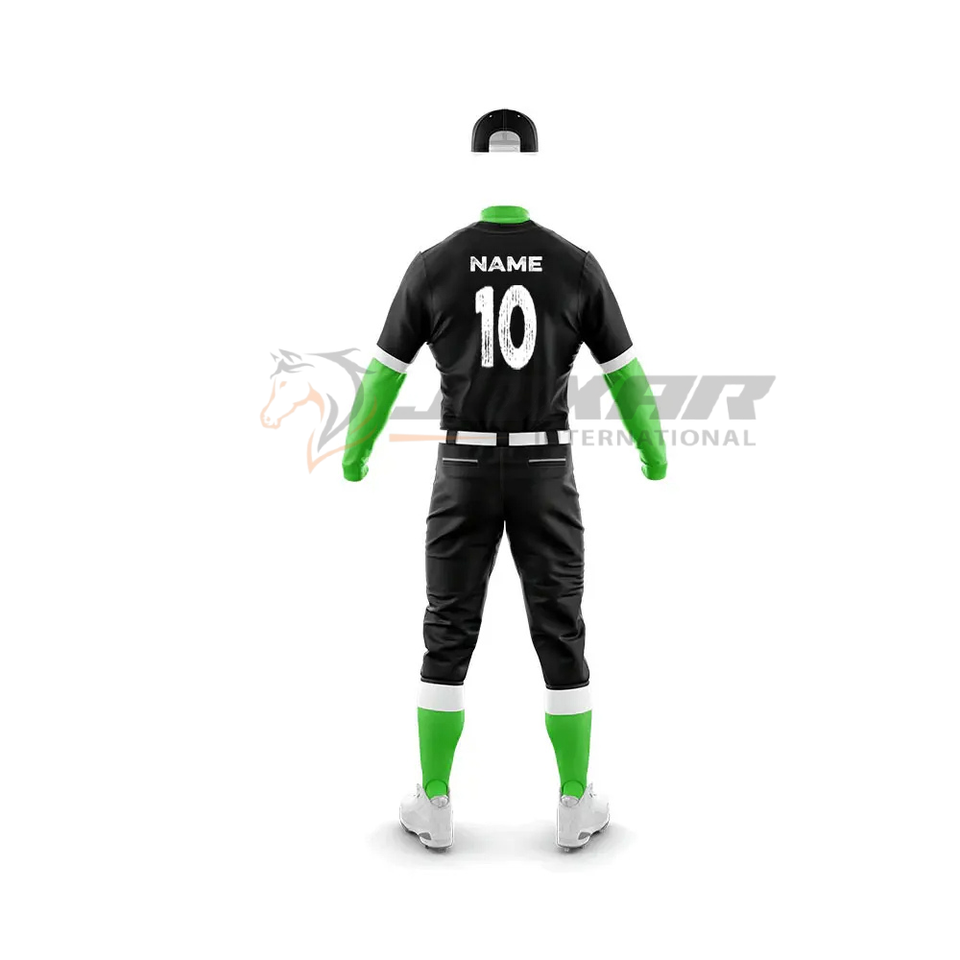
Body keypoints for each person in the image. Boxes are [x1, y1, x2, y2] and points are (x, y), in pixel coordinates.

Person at [343, 115, 666, 850]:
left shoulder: (433, 265)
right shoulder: (575, 265)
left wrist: (355, 454)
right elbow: (626, 375)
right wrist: (654, 454)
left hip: (461, 468)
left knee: (447, 627)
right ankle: (575, 801)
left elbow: (384, 374)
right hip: (544, 468)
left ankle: (433, 801)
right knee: (561, 625)